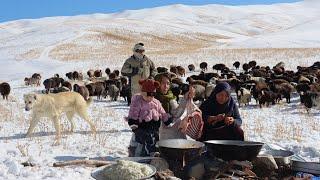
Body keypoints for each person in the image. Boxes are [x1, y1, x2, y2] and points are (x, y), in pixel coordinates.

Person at [126, 79, 172, 157]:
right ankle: (140, 154)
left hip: (154, 126)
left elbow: (162, 112)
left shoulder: (156, 102)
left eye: (152, 95)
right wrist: (133, 124)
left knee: (155, 140)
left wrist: (166, 120)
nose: (150, 98)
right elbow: (133, 112)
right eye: (147, 95)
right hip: (142, 127)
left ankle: (154, 153)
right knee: (144, 140)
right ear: (143, 93)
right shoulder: (138, 102)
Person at [154, 73, 199, 140]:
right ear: (157, 84)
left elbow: (176, 114)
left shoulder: (170, 98)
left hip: (170, 136)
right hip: (155, 136)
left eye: (168, 83)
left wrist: (185, 99)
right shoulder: (150, 98)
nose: (166, 86)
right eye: (163, 83)